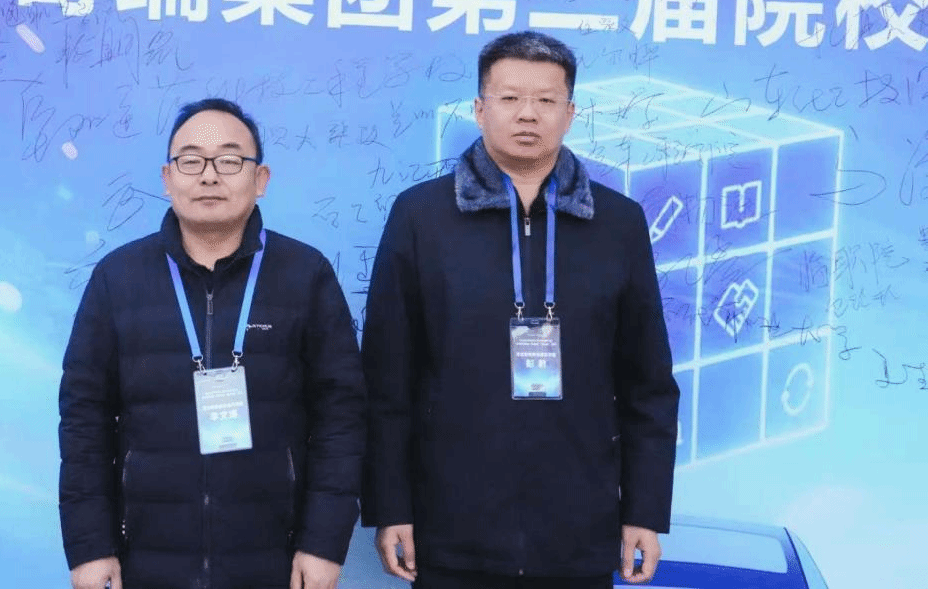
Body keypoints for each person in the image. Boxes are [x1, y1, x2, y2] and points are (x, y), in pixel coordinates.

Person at [360, 31, 680, 589]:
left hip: (580, 528)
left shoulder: (619, 223)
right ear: (480, 109)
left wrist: (644, 512)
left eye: (546, 100)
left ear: (570, 113)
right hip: (451, 525)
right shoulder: (421, 216)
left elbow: (647, 384)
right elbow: (387, 379)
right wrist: (390, 507)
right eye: (509, 98)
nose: (527, 114)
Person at [58, 98, 366, 589]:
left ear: (260, 179)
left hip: (277, 561)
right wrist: (90, 547)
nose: (208, 176)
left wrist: (324, 543)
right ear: (167, 178)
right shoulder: (118, 278)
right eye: (190, 161)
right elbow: (83, 420)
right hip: (145, 561)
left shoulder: (305, 275)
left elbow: (341, 417)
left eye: (228, 160)